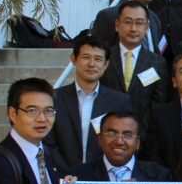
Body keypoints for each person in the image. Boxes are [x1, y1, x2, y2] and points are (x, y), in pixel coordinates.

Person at [45, 35, 131, 172]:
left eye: (98, 59)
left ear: (106, 64)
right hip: (63, 178)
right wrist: (66, 173)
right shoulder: (54, 98)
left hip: (104, 178)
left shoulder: (119, 101)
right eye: (86, 57)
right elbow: (48, 143)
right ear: (73, 59)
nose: (92, 64)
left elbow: (124, 142)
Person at [100, 0, 170, 134]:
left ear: (147, 27)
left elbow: (158, 105)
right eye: (128, 22)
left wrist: (137, 135)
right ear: (117, 25)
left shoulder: (158, 63)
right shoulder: (104, 58)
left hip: (143, 137)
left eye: (139, 23)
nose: (133, 28)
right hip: (107, 135)